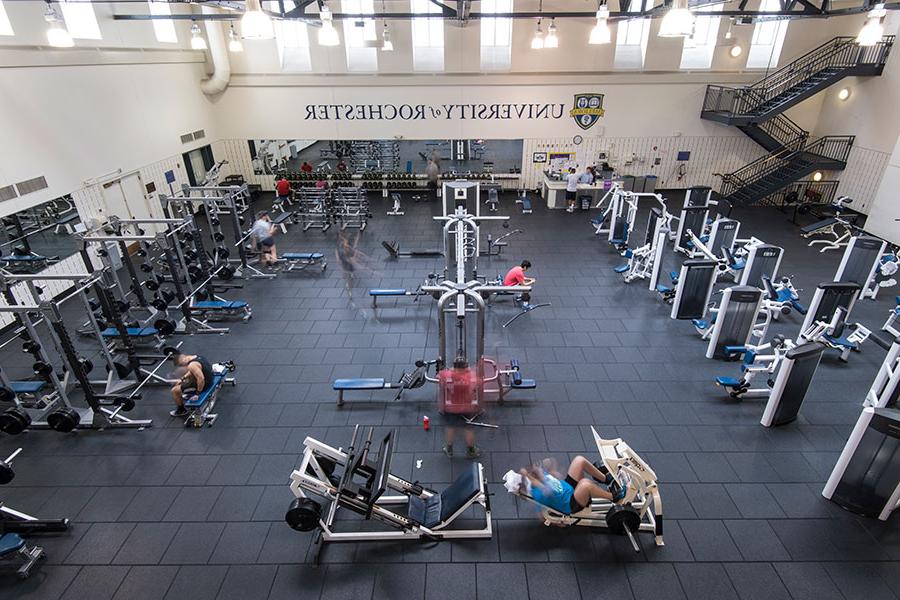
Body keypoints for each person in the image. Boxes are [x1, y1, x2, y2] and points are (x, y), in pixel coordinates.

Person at [517, 456, 626, 515]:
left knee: (579, 460)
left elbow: (551, 464)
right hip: (571, 503)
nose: (533, 469)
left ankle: (605, 478)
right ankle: (614, 497)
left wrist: (552, 471)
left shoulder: (539, 474)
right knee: (585, 484)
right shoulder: (537, 492)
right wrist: (534, 476)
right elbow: (548, 491)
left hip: (568, 487)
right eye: (530, 473)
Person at [169, 351, 214, 418]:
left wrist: (198, 393)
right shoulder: (197, 357)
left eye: (181, 365)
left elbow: (201, 379)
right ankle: (189, 392)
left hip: (205, 384)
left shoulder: (192, 365)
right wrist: (182, 378)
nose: (183, 366)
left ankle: (182, 410)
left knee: (174, 390)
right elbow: (193, 370)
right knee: (186, 381)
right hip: (210, 378)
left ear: (183, 360)